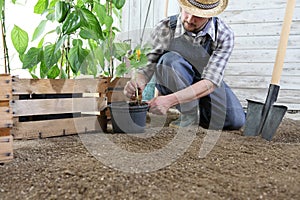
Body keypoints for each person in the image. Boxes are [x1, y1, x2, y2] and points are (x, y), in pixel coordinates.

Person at [124, 0, 246, 130]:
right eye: (187, 11)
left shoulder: (223, 34)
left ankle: (200, 113)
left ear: (210, 15)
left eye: (197, 16)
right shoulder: (165, 28)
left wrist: (169, 101)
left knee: (235, 120)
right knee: (170, 61)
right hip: (176, 74)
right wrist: (137, 82)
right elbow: (146, 67)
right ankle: (189, 115)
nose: (189, 19)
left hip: (204, 83)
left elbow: (210, 82)